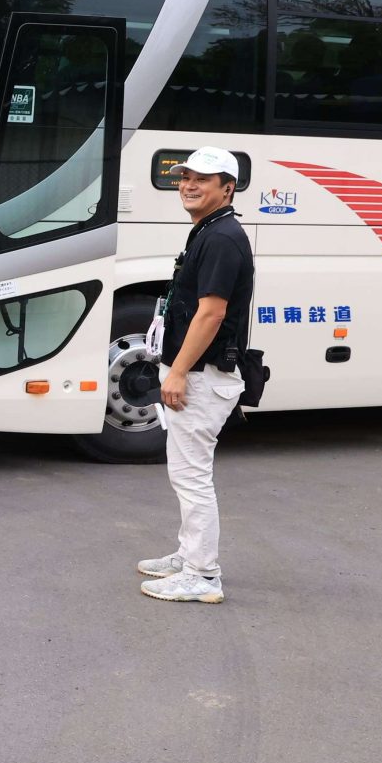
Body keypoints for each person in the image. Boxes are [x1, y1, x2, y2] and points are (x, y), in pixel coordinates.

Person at [138, 147, 255, 605]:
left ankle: (203, 574)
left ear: (228, 188)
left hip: (203, 376)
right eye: (185, 176)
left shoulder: (222, 237)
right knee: (185, 472)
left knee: (192, 476)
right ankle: (189, 556)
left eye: (203, 179)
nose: (189, 185)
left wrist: (179, 371)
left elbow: (212, 313)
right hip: (198, 373)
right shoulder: (209, 230)